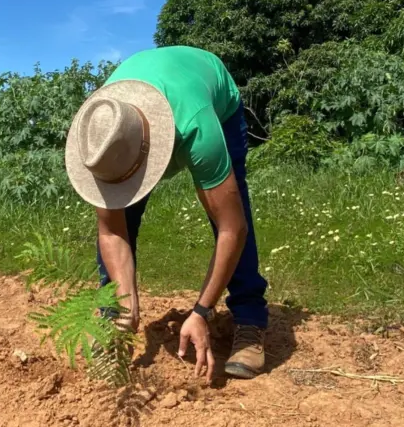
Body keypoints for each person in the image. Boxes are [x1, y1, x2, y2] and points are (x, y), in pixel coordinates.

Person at [64, 45, 268, 384]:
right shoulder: (100, 132)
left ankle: (250, 319)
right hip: (144, 108)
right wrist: (125, 299)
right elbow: (111, 232)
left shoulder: (197, 126)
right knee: (121, 220)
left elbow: (233, 228)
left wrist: (201, 311)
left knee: (229, 211)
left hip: (208, 99)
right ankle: (114, 316)